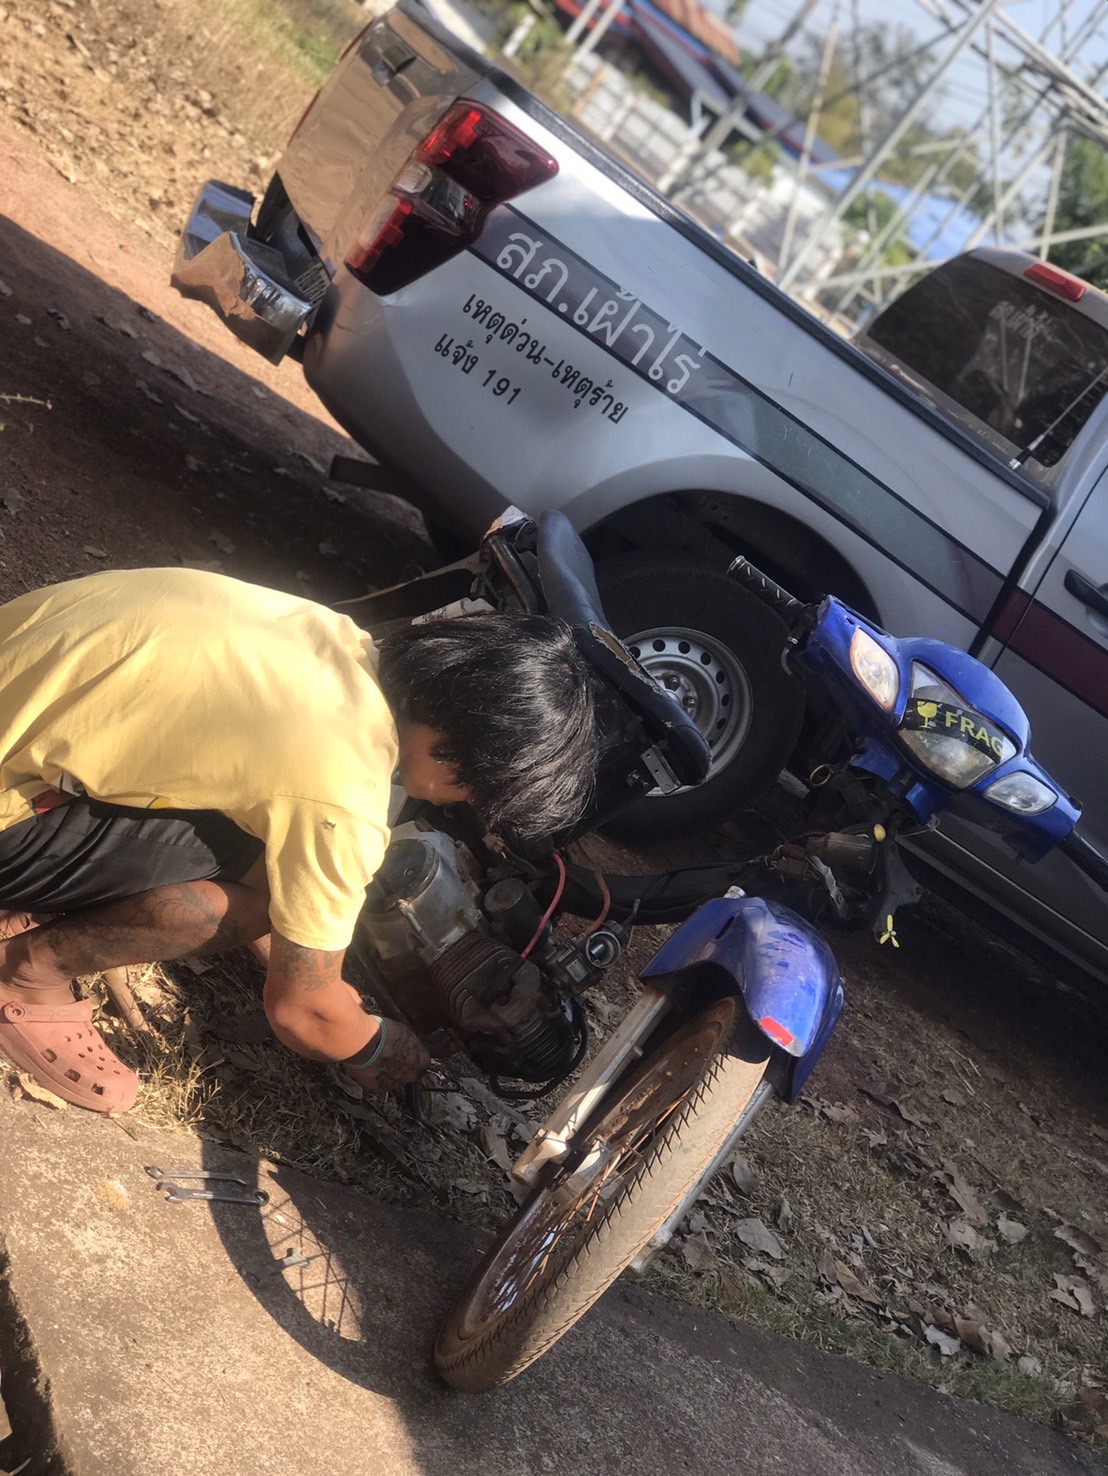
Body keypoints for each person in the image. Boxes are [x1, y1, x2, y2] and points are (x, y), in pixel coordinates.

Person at [0, 567, 599, 1112]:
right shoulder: (344, 792)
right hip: (11, 803)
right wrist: (375, 1044)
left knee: (267, 849)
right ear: (461, 749)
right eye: (477, 790)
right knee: (262, 888)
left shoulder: (332, 636)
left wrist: (307, 951)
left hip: (23, 713)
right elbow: (301, 1012)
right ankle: (28, 972)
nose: (460, 803)